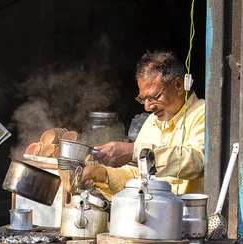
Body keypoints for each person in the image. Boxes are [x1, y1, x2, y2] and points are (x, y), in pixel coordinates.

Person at [84, 50, 205, 197]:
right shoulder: (152, 121)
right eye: (143, 99)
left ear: (179, 85)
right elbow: (137, 175)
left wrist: (136, 153)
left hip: (188, 216)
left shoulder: (203, 112)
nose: (148, 107)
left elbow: (198, 160)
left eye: (154, 97)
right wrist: (101, 174)